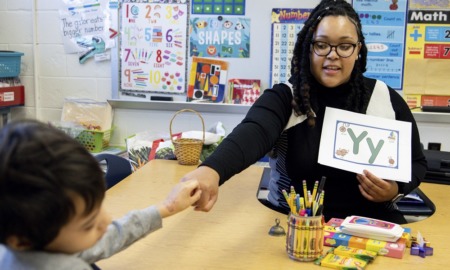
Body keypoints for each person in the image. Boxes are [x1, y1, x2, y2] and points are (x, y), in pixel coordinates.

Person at [180, 0, 426, 224]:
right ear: (309, 47)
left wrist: (396, 189)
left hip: (371, 230)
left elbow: (416, 162)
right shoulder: (288, 97)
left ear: (358, 49)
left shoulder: (384, 98)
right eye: (322, 44)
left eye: (345, 46)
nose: (332, 54)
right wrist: (211, 171)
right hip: (296, 230)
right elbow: (253, 131)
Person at [0, 119, 201, 269]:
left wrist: (167, 207)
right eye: (88, 225)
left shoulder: (32, 243)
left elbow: (105, 239)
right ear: (20, 240)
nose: (106, 220)